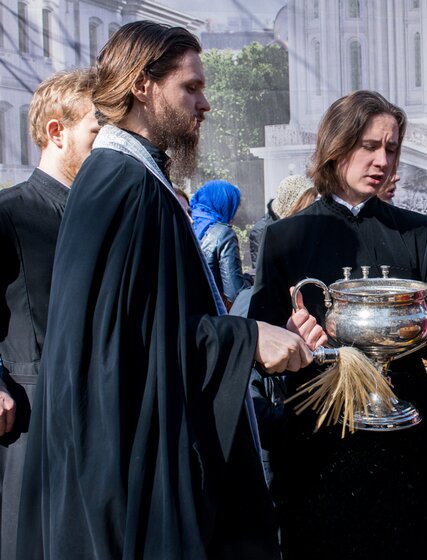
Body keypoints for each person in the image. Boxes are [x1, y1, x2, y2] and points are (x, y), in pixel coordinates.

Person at [17, 21, 322, 559]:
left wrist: (252, 335)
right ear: (143, 85)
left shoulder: (132, 177)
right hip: (126, 477)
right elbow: (116, 350)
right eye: (191, 87)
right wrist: (245, 339)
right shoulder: (124, 184)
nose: (205, 104)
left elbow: (152, 321)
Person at [248, 90, 427, 560]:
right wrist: (288, 337)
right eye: (369, 146)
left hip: (403, 428)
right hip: (321, 432)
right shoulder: (286, 237)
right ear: (336, 145)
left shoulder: (415, 231)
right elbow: (260, 343)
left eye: (391, 148)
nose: (382, 161)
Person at [0, 68, 98, 560]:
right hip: (31, 427)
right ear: (57, 132)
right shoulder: (9, 212)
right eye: (98, 133)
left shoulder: (108, 217)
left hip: (102, 428)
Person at [191, 179, 248, 308]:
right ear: (225, 204)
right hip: (211, 311)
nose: (235, 215)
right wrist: (250, 280)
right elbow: (234, 293)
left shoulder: (187, 224)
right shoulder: (223, 234)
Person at [249, 174, 316, 270]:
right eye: (308, 204)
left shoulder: (301, 224)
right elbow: (262, 272)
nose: (312, 209)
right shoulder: (263, 230)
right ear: (293, 203)